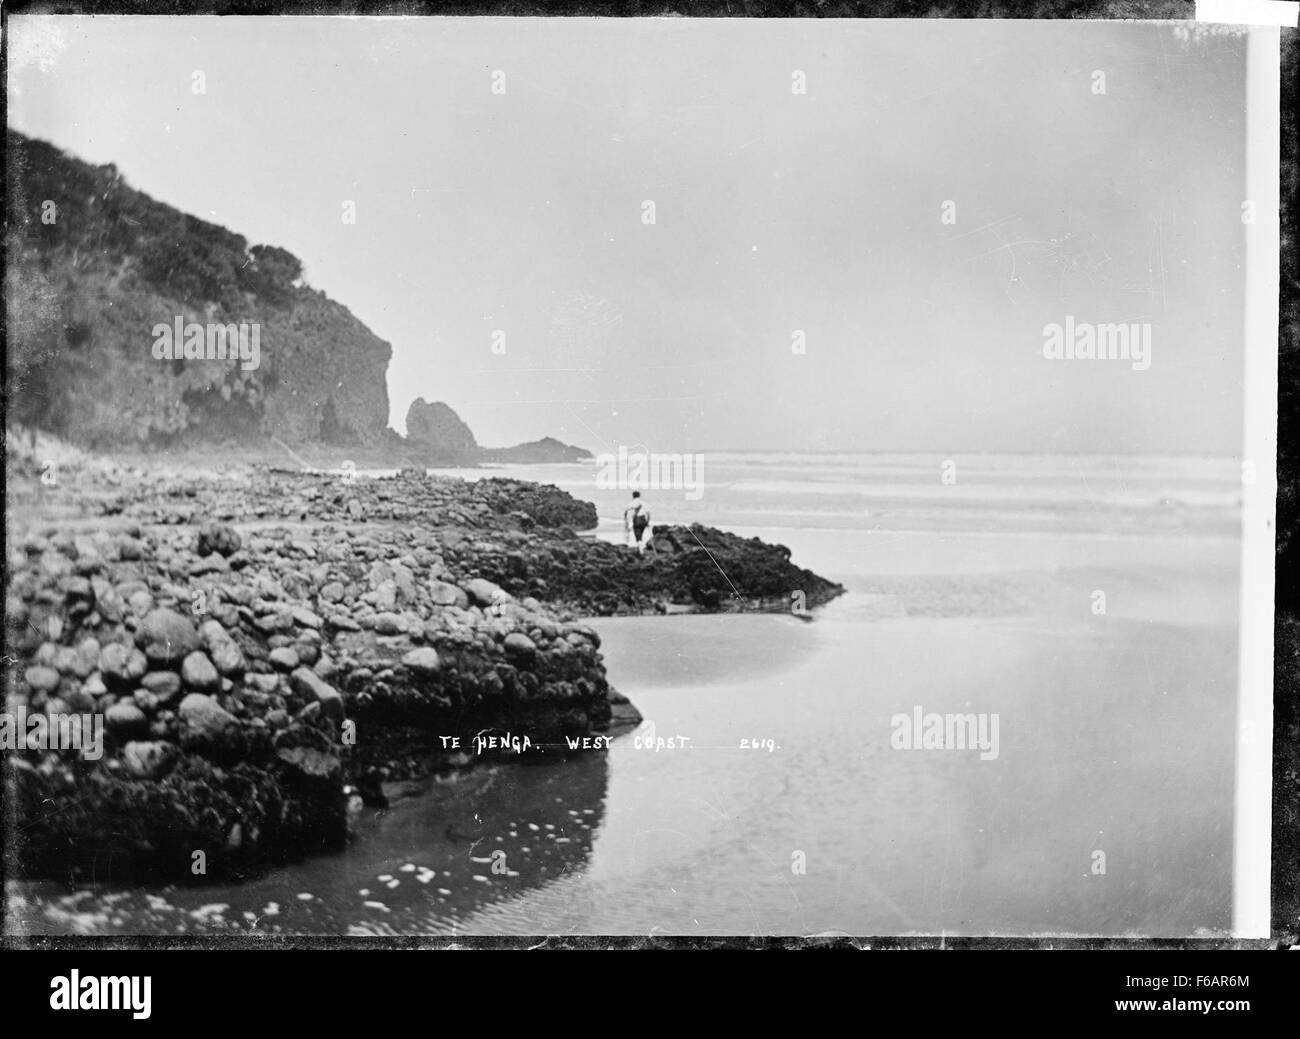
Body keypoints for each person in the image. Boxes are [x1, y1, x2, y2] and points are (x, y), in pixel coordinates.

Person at [624, 490, 651, 554]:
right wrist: (647, 522)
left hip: (636, 520)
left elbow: (626, 513)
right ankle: (641, 548)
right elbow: (648, 513)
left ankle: (641, 551)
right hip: (643, 520)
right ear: (639, 495)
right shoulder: (644, 503)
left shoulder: (631, 503)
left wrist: (626, 521)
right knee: (640, 535)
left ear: (633, 496)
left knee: (638, 537)